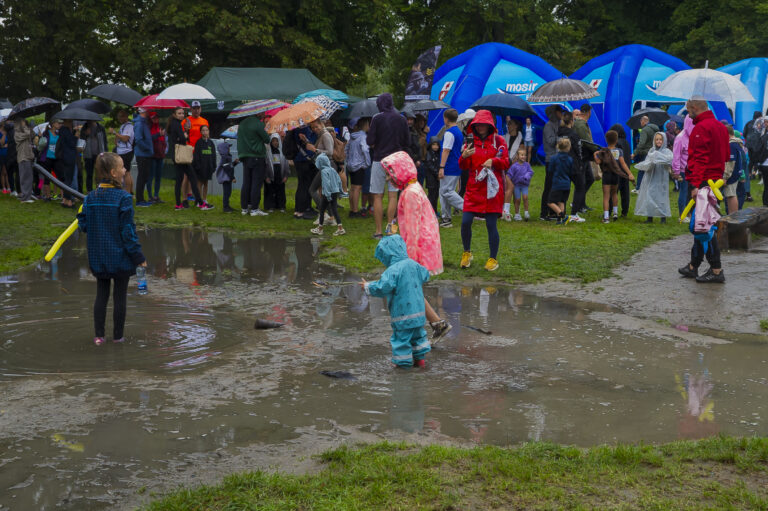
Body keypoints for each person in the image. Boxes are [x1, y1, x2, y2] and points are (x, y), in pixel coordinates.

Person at [381, 151, 452, 343]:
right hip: (423, 244)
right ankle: (437, 324)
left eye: (390, 173)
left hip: (418, 248)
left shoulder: (410, 193)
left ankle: (422, 329)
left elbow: (412, 230)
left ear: (400, 171)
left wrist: (408, 261)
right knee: (413, 289)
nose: (388, 178)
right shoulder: (413, 188)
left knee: (410, 289)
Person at [76, 152, 146, 345]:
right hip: (120, 258)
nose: (125, 170)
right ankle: (118, 338)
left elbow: (83, 225)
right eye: (122, 167)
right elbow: (127, 232)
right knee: (120, 297)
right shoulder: (124, 198)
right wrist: (138, 256)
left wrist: (88, 219)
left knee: (101, 294)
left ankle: (99, 336)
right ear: (114, 173)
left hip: (99, 257)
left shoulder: (90, 198)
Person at [678, 97, 729, 283]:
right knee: (703, 223)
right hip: (715, 181)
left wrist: (695, 185)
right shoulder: (721, 127)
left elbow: (699, 159)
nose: (687, 113)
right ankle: (694, 265)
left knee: (703, 228)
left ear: (694, 107)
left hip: (704, 183)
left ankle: (716, 270)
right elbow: (725, 155)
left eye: (688, 109)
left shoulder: (701, 128)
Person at [361, 235, 431, 368]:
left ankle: (403, 367)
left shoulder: (393, 270)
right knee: (418, 337)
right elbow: (426, 275)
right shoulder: (414, 264)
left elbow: (382, 287)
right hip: (419, 314)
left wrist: (367, 286)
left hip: (403, 315)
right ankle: (420, 362)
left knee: (401, 341)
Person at [457, 109, 510, 271]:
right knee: (465, 222)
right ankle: (467, 253)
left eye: (484, 125)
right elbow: (463, 166)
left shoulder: (498, 141)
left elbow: (506, 162)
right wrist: (464, 156)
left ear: (490, 125)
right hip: (474, 188)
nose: (480, 127)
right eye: (478, 125)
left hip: (491, 190)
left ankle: (493, 259)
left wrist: (493, 161)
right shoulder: (469, 142)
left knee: (491, 224)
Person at [367, 93, 410, 238]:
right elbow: (407, 142)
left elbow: (370, 141)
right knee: (393, 196)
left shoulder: (377, 118)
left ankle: (378, 231)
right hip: (396, 161)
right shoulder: (402, 119)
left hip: (379, 160)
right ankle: (391, 230)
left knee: (377, 196)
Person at [167, 107, 210, 210]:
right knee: (191, 178)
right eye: (179, 113)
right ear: (174, 114)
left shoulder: (173, 123)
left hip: (177, 155)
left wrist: (184, 133)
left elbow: (176, 138)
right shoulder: (177, 124)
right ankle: (200, 203)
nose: (182, 115)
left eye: (183, 113)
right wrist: (186, 134)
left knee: (180, 179)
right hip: (181, 155)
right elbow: (182, 139)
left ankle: (179, 204)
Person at [595, 130, 634, 223]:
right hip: (616, 175)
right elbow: (623, 163)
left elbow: (598, 162)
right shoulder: (619, 151)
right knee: (614, 194)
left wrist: (595, 154)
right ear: (616, 140)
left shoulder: (603, 151)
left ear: (606, 140)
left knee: (606, 196)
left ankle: (606, 217)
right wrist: (629, 174)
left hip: (606, 175)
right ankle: (615, 213)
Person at [634, 132, 672, 223]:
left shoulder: (667, 151)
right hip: (651, 177)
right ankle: (649, 217)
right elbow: (648, 161)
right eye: (657, 139)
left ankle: (663, 217)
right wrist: (651, 161)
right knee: (650, 195)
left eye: (660, 139)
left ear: (664, 140)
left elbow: (669, 160)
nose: (659, 141)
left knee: (662, 197)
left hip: (661, 178)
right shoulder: (652, 150)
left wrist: (658, 156)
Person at [237, 112, 270, 216]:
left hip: (245, 156)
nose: (264, 113)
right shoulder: (258, 124)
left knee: (246, 182)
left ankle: (245, 208)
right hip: (257, 156)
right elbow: (267, 139)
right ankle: (255, 209)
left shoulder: (242, 124)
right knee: (256, 183)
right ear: (258, 112)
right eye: (262, 112)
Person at [438, 108, 464, 228]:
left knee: (446, 192)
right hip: (456, 165)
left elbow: (446, 150)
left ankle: (468, 208)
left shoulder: (449, 133)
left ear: (446, 119)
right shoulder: (458, 131)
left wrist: (441, 166)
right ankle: (446, 219)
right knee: (445, 191)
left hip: (449, 166)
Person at [309, 153, 345, 236]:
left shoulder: (324, 172)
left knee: (322, 211)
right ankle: (340, 228)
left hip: (327, 194)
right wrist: (340, 192)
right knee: (334, 210)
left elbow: (326, 183)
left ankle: (320, 229)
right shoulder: (333, 170)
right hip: (335, 192)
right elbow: (339, 181)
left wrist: (327, 195)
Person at [344, 117, 371, 217]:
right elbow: (365, 149)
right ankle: (355, 211)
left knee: (352, 188)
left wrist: (348, 160)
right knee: (357, 188)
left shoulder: (352, 136)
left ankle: (352, 209)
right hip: (359, 165)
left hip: (351, 165)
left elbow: (346, 149)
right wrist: (367, 163)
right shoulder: (363, 136)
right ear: (365, 125)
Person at [540, 105, 563, 220]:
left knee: (556, 187)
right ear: (555, 112)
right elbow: (550, 141)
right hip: (551, 160)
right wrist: (561, 138)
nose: (562, 114)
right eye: (560, 112)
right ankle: (543, 213)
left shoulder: (559, 124)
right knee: (548, 186)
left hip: (558, 159)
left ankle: (553, 212)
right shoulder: (548, 125)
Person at [546, 138, 575, 224]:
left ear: (558, 146)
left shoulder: (554, 158)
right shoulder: (570, 159)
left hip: (557, 184)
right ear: (569, 147)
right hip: (566, 184)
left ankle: (562, 215)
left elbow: (550, 170)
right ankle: (560, 220)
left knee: (550, 202)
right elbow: (571, 172)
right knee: (561, 201)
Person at [572, 104, 594, 215]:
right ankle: (577, 205)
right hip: (582, 156)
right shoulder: (580, 124)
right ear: (588, 112)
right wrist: (597, 150)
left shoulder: (581, 123)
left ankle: (581, 203)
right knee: (582, 181)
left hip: (584, 156)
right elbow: (587, 142)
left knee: (589, 179)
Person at [672, 115, 694, 219]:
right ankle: (682, 215)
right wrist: (676, 171)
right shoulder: (680, 138)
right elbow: (676, 156)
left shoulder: (694, 137)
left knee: (690, 193)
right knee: (684, 192)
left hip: (693, 170)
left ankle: (689, 213)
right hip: (683, 170)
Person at [610, 124, 633, 218]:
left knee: (613, 192)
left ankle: (609, 210)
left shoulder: (617, 143)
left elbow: (615, 158)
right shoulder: (626, 142)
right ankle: (624, 212)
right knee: (625, 192)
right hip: (626, 170)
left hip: (618, 170)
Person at [504, 148, 533, 221]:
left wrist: (526, 176)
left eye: (525, 155)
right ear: (518, 156)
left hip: (524, 185)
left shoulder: (527, 165)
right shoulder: (514, 166)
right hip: (516, 185)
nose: (523, 156)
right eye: (522, 155)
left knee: (525, 197)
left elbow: (530, 172)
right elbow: (509, 174)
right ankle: (517, 214)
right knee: (517, 199)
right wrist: (509, 180)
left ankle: (526, 213)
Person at [132, 107, 154, 207]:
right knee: (142, 176)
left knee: (145, 176)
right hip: (142, 154)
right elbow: (138, 140)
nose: (150, 111)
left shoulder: (144, 122)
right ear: (144, 111)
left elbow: (147, 138)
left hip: (146, 154)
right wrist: (148, 148)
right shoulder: (139, 123)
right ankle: (139, 200)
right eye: (148, 110)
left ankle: (142, 199)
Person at [631, 115, 659, 191]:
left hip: (645, 153)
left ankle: (638, 188)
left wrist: (635, 153)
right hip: (654, 152)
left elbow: (642, 143)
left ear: (644, 121)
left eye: (641, 121)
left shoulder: (644, 130)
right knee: (651, 171)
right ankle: (651, 188)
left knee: (642, 170)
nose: (640, 123)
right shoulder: (655, 129)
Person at [55, 118, 78, 208]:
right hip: (68, 157)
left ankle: (65, 199)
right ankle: (68, 201)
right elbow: (72, 144)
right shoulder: (65, 130)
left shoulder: (63, 130)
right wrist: (76, 136)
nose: (72, 123)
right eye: (70, 121)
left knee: (67, 179)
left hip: (65, 157)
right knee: (69, 179)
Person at [264, 133, 289, 212]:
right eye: (273, 141)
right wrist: (266, 176)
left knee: (281, 191)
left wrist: (286, 175)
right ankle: (271, 206)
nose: (275, 143)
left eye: (277, 141)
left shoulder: (282, 152)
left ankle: (281, 206)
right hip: (271, 174)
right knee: (270, 191)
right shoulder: (268, 152)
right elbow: (265, 165)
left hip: (280, 174)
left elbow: (286, 164)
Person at [80, 120, 107, 192]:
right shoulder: (85, 127)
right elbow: (81, 141)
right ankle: (89, 190)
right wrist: (86, 134)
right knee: (89, 173)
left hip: (99, 154)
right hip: (88, 155)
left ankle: (99, 189)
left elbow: (104, 141)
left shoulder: (100, 128)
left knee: (99, 173)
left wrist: (105, 153)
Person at [724, 124, 745, 214]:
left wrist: (725, 176)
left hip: (732, 174)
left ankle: (733, 215)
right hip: (736, 172)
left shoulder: (731, 145)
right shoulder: (736, 143)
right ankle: (732, 214)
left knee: (731, 195)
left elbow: (730, 162)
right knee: (730, 194)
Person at [112, 109, 134, 194]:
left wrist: (115, 133)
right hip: (121, 151)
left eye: (121, 116)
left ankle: (127, 193)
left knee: (126, 173)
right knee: (126, 172)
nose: (119, 118)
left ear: (126, 117)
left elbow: (125, 138)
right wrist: (116, 138)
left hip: (126, 152)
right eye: (118, 117)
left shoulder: (129, 126)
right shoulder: (123, 126)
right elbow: (118, 139)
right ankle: (131, 192)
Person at [192, 125, 216, 203]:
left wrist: (213, 166)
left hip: (208, 167)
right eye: (203, 130)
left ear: (209, 131)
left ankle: (204, 199)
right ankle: (198, 200)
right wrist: (198, 166)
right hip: (200, 167)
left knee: (206, 183)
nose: (205, 132)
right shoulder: (198, 143)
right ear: (201, 132)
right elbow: (196, 155)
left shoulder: (211, 143)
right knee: (199, 183)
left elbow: (213, 155)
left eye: (206, 130)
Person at [14, 117, 36, 203]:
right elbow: (27, 134)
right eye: (23, 122)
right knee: (25, 178)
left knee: (29, 178)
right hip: (23, 157)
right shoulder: (17, 133)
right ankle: (24, 197)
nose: (24, 123)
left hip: (28, 156)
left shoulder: (25, 130)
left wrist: (29, 127)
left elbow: (32, 134)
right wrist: (25, 127)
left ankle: (27, 195)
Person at [38, 120, 60, 200]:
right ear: (53, 124)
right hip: (46, 158)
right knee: (42, 178)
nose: (59, 124)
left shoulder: (58, 134)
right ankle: (42, 193)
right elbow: (41, 144)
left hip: (56, 158)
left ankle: (55, 193)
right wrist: (40, 137)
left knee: (57, 177)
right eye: (58, 123)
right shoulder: (46, 133)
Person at [215, 141, 239, 213]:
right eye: (228, 148)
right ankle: (225, 207)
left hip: (228, 177)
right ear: (224, 149)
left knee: (228, 192)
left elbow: (229, 166)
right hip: (226, 178)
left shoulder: (227, 157)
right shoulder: (225, 158)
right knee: (227, 193)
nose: (229, 149)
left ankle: (227, 206)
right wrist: (232, 178)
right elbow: (227, 169)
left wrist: (234, 163)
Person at [148, 112, 166, 203]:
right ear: (150, 119)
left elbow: (164, 140)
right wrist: (158, 135)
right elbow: (149, 139)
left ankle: (156, 196)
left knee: (158, 176)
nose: (155, 119)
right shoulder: (148, 128)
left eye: (156, 118)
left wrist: (164, 149)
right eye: (153, 118)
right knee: (151, 176)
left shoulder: (160, 127)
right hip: (152, 156)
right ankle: (150, 196)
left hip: (160, 155)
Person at [421, 136, 441, 214]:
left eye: (437, 145)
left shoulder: (437, 154)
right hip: (431, 178)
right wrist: (437, 173)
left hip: (435, 178)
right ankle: (430, 212)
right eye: (434, 144)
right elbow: (430, 166)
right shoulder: (429, 154)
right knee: (431, 196)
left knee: (436, 196)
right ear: (430, 145)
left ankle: (434, 211)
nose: (435, 147)